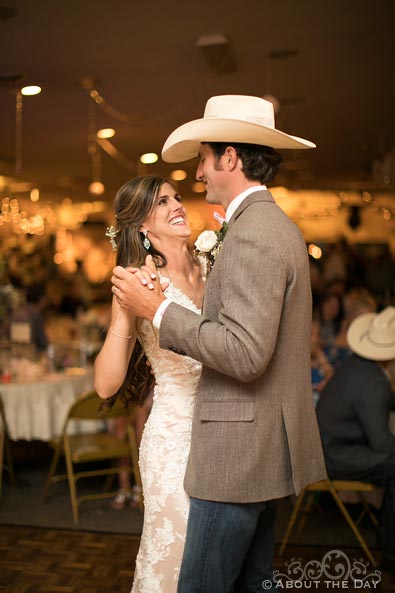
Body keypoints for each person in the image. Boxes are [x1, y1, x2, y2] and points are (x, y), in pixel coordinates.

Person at [110, 94, 327, 592]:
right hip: (250, 445)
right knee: (252, 583)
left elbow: (247, 355)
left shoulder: (252, 234)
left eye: (205, 159)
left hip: (232, 453)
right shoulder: (269, 226)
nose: (199, 174)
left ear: (230, 158)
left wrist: (159, 312)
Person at [94, 175, 205, 592]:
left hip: (224, 434)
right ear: (143, 227)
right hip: (174, 441)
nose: (177, 205)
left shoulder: (211, 264)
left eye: (177, 197)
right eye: (162, 203)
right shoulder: (138, 281)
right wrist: (124, 313)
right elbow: (106, 385)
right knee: (175, 560)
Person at [316, 306, 395, 569]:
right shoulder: (375, 383)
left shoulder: (359, 365)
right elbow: (382, 445)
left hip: (327, 447)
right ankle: (390, 552)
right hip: (334, 457)